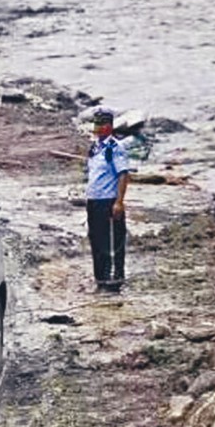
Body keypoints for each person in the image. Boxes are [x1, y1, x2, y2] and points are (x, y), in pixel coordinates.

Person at [85, 107, 130, 292]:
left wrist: (119, 202)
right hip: (94, 200)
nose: (98, 128)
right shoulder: (95, 148)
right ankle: (101, 279)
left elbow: (123, 174)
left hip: (109, 201)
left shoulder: (115, 148)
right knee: (96, 240)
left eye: (102, 124)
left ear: (110, 126)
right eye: (97, 124)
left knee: (111, 243)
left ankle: (114, 282)